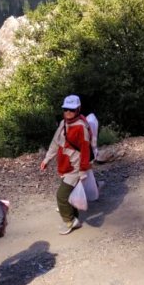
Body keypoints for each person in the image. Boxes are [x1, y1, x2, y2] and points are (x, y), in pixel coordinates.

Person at [40, 95, 93, 234]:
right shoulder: (64, 123)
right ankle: (74, 216)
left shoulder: (81, 127)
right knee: (69, 194)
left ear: (78, 109)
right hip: (65, 165)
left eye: (72, 110)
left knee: (61, 196)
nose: (68, 112)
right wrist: (47, 159)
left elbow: (85, 150)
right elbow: (55, 142)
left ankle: (70, 221)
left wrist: (83, 172)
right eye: (66, 109)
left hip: (75, 168)